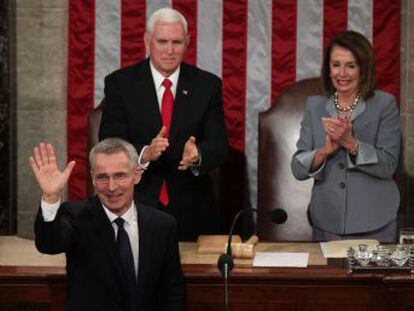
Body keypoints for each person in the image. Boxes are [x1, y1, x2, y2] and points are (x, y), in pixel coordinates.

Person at [99, 7, 229, 240]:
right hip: (134, 201)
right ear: (147, 41)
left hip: (192, 208)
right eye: (162, 41)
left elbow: (219, 146)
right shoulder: (120, 84)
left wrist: (197, 154)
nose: (170, 50)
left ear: (187, 43)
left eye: (177, 42)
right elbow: (109, 143)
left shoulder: (207, 85)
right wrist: (143, 153)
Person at [31, 138, 186, 311]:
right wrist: (51, 197)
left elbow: (173, 292)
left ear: (137, 175)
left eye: (120, 176)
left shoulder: (163, 225)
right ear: (93, 178)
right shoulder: (76, 216)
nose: (112, 187)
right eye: (103, 177)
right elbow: (49, 244)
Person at [291, 31, 400, 242]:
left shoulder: (384, 104)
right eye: (336, 64)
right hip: (327, 220)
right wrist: (324, 152)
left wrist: (351, 144)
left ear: (364, 68)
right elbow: (297, 168)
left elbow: (389, 165)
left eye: (351, 65)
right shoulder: (314, 106)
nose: (342, 73)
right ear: (328, 69)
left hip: (375, 220)